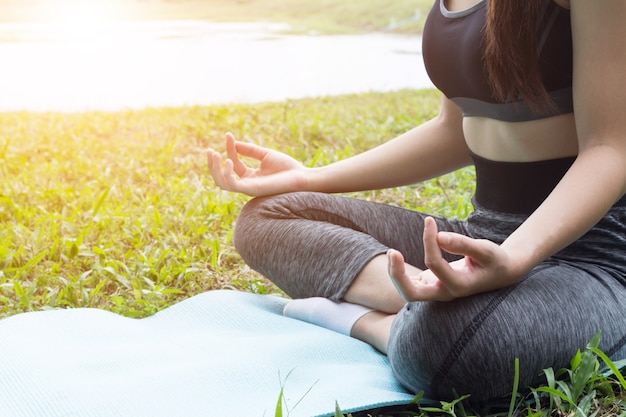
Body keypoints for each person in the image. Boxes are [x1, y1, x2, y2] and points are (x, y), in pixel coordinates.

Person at [207, 0, 626, 405]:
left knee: (447, 350)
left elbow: (610, 148)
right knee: (267, 216)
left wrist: (515, 257)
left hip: (593, 259)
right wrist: (306, 179)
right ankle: (416, 299)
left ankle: (374, 324)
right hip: (484, 237)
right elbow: (452, 128)